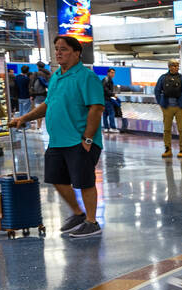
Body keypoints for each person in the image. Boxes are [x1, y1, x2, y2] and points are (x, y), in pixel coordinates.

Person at [9, 36, 105, 239]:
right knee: (56, 179)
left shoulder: (86, 77)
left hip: (79, 140)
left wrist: (87, 139)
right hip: (57, 140)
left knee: (85, 182)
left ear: (77, 53)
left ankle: (92, 221)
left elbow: (96, 108)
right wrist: (24, 118)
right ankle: (79, 214)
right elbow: (48, 105)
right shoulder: (56, 77)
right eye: (56, 49)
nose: (58, 53)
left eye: (64, 49)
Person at [154, 59, 182, 159]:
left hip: (180, 107)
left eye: (177, 65)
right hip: (167, 107)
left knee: (181, 129)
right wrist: (161, 104)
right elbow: (157, 90)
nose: (176, 67)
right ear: (169, 67)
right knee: (167, 129)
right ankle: (168, 149)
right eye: (174, 65)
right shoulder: (163, 78)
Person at [28, 61, 50, 130]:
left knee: (38, 111)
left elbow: (32, 84)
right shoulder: (48, 74)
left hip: (38, 94)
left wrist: (31, 93)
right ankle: (47, 126)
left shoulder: (36, 74)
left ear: (38, 66)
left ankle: (39, 126)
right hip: (46, 94)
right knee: (46, 110)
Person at [102, 69, 118, 133]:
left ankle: (106, 127)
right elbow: (105, 89)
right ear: (108, 73)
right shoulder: (107, 80)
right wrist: (113, 94)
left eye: (114, 73)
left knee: (105, 114)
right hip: (107, 99)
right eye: (112, 72)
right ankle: (112, 127)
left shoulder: (106, 79)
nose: (113, 74)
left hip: (104, 99)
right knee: (111, 113)